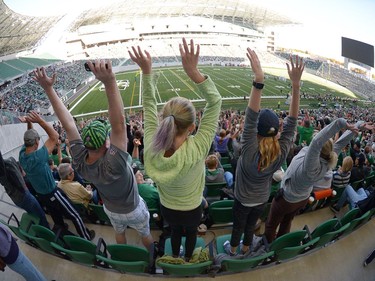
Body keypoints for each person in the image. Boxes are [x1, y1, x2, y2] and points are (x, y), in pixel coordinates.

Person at [33, 62, 154, 250]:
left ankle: (123, 256)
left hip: (111, 210)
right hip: (132, 208)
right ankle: (151, 258)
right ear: (106, 142)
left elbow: (69, 124)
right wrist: (110, 81)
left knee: (119, 233)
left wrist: (48, 89)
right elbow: (119, 124)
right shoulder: (115, 162)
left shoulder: (80, 162)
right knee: (145, 234)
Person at [128, 38, 222, 261]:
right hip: (192, 207)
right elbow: (215, 101)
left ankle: (177, 253)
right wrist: (194, 72)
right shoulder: (197, 148)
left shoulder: (151, 146)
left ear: (163, 121)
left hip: (167, 206)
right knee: (190, 233)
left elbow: (148, 103)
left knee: (175, 232)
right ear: (191, 127)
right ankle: (188, 257)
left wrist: (146, 71)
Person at [224, 51, 304, 256]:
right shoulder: (281, 150)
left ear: (256, 131)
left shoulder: (250, 148)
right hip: (261, 199)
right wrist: (295, 87)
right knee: (251, 227)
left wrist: (259, 81)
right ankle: (246, 248)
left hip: (242, 198)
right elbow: (293, 121)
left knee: (238, 227)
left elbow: (250, 117)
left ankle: (233, 251)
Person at [264, 119, 362, 243]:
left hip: (288, 198)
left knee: (271, 224)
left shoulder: (311, 164)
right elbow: (341, 143)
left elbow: (316, 142)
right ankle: (280, 243)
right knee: (287, 221)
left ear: (317, 149)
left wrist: (341, 123)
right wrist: (357, 126)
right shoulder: (328, 159)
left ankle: (268, 245)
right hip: (302, 198)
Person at [18, 111, 93, 240]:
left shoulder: (22, 155)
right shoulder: (39, 157)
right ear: (36, 143)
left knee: (55, 215)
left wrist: (29, 122)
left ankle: (61, 229)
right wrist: (40, 121)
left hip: (41, 195)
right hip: (52, 192)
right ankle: (86, 237)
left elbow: (29, 138)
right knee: (74, 214)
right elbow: (55, 136)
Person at [0, 151, 49, 229]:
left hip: (17, 199)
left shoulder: (9, 163)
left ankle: (40, 229)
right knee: (40, 214)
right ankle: (47, 232)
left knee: (32, 213)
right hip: (24, 196)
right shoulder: (5, 169)